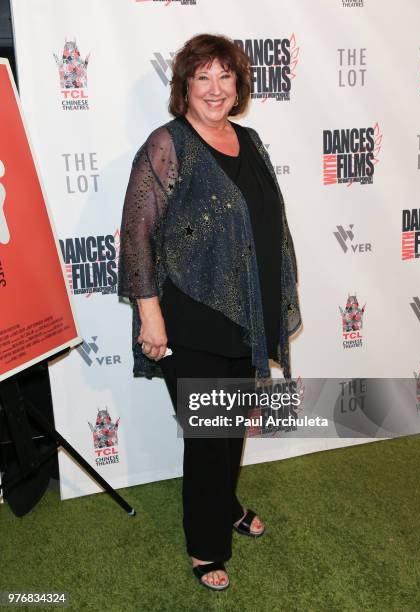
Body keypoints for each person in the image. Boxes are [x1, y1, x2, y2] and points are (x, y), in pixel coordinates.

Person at [118, 33, 301, 591]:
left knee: (230, 430)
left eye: (226, 77)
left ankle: (224, 506)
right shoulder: (167, 144)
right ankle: (205, 545)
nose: (215, 89)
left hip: (246, 316)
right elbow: (137, 235)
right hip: (190, 318)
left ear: (238, 85)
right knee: (208, 435)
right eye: (203, 77)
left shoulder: (249, 139)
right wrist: (151, 316)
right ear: (185, 87)